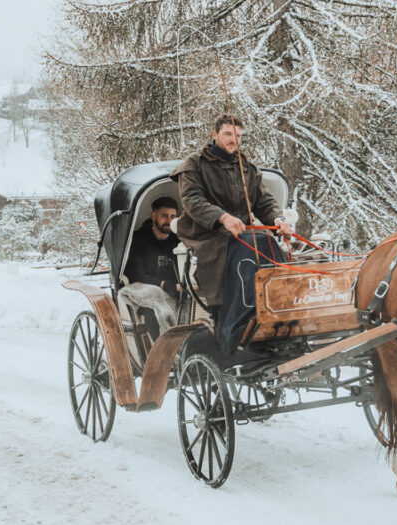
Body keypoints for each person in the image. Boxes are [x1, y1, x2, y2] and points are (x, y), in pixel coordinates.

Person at [176, 113, 293, 352]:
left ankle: (278, 312)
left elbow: (264, 201)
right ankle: (237, 325)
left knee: (269, 245)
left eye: (238, 136)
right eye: (228, 134)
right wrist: (222, 217)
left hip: (242, 235)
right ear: (215, 134)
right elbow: (192, 200)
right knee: (247, 249)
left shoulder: (247, 168)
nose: (233, 140)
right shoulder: (194, 165)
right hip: (208, 237)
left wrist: (278, 219)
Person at [123, 195, 180, 297]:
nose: (169, 221)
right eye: (164, 216)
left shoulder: (178, 240)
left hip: (177, 292)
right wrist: (163, 284)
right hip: (148, 294)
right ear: (153, 215)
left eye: (172, 217)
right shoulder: (137, 240)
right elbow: (136, 275)